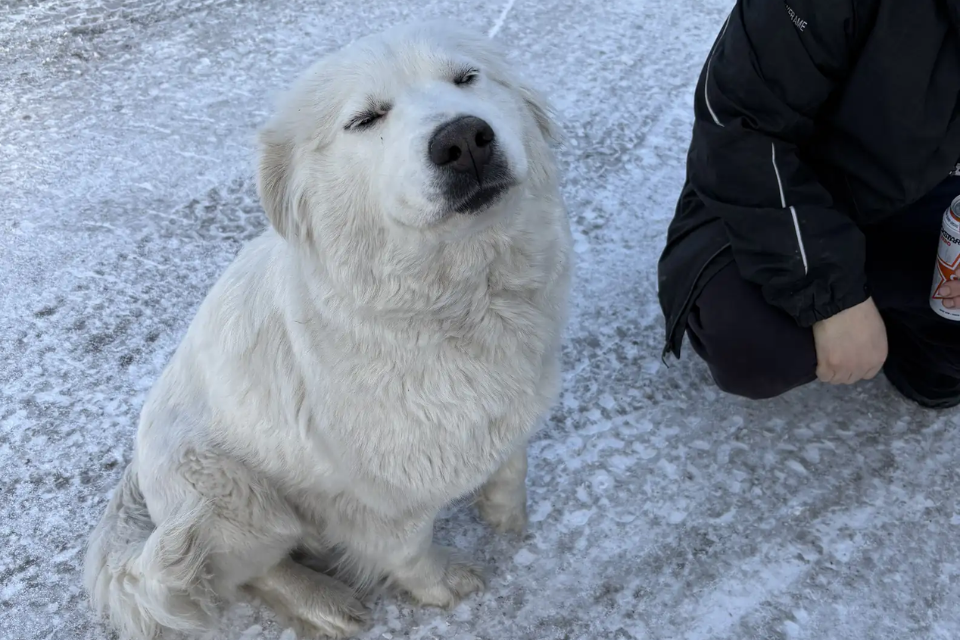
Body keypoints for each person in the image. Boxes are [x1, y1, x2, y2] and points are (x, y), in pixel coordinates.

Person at [657, 0, 960, 408]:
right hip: (802, 195)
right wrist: (831, 298)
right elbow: (741, 126)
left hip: (939, 216)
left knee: (938, 375)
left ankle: (915, 333)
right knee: (757, 344)